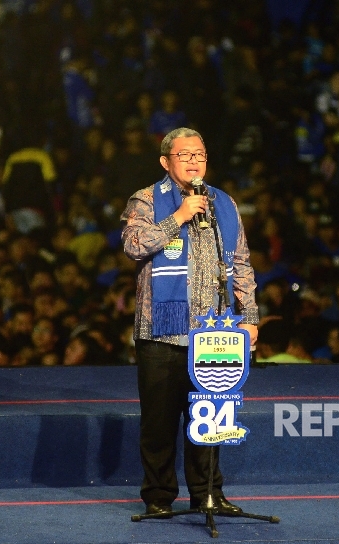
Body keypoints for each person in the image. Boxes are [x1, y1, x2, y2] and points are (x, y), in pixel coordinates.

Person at [121, 127, 259, 518]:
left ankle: (208, 494)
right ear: (166, 162)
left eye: (200, 154)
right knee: (160, 425)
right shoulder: (147, 199)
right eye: (186, 155)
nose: (195, 161)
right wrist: (178, 217)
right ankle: (160, 497)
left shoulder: (223, 203)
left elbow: (242, 264)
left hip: (214, 333)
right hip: (162, 332)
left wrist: (249, 318)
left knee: (209, 418)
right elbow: (133, 245)